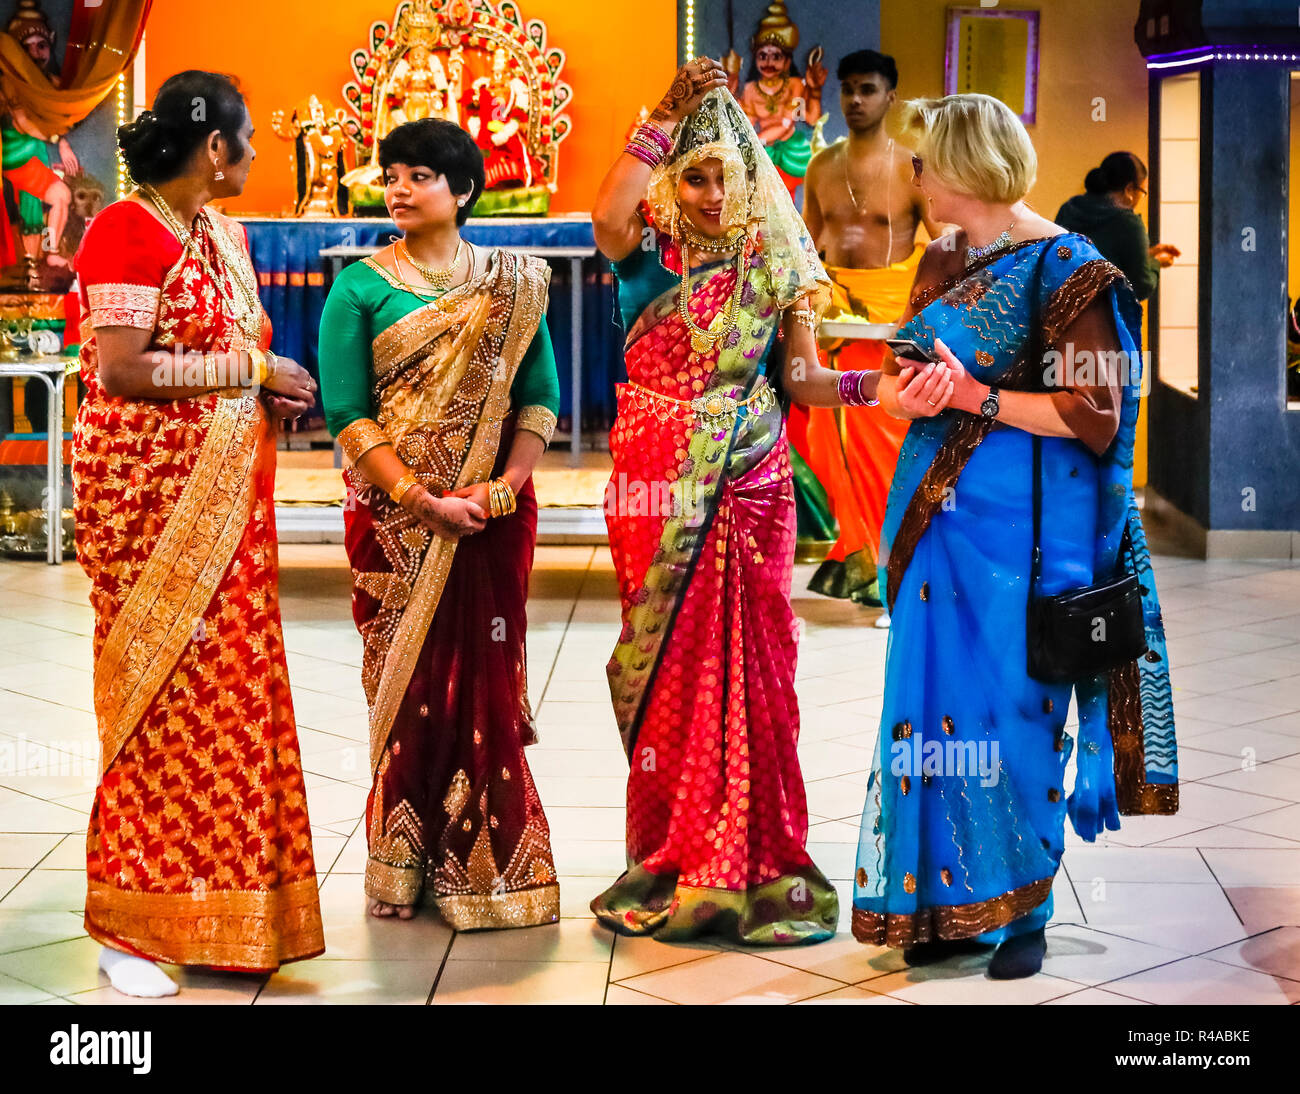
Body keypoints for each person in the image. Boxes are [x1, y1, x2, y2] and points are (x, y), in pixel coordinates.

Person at [851, 94, 1178, 978]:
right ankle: (940, 904)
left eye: (923, 162)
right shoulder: (943, 259)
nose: (912, 177)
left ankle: (1024, 905)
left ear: (959, 167)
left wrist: (973, 398)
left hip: (1026, 539)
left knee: (1008, 712)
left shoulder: (1067, 267)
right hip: (936, 533)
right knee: (926, 709)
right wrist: (907, 393)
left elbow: (1096, 416)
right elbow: (900, 374)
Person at [589, 61, 885, 945]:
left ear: (755, 177)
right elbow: (608, 215)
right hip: (655, 482)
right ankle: (672, 855)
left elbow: (803, 379)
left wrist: (885, 391)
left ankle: (758, 863)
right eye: (695, 176)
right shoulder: (648, 258)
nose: (715, 194)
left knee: (756, 675)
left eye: (729, 174)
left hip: (751, 485)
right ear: (670, 182)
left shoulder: (774, 266)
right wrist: (663, 116)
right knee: (668, 670)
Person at [72, 70, 324, 998]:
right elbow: (127, 371)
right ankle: (128, 929)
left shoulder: (226, 234)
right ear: (213, 147)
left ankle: (220, 909)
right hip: (149, 511)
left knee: (226, 710)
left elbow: (223, 362)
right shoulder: (123, 230)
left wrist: (261, 392)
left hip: (230, 514)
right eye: (248, 138)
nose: (257, 152)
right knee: (157, 708)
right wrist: (253, 369)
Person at [318, 118, 561, 928]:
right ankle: (400, 859)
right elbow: (348, 414)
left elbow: (539, 396)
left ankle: (489, 865)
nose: (397, 188)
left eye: (419, 174)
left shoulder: (514, 282)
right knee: (405, 687)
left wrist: (505, 487)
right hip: (395, 522)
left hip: (490, 518)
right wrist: (422, 500)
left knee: (481, 683)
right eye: (390, 174)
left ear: (462, 190)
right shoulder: (359, 286)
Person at [799, 48, 944, 608]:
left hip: (892, 329)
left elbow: (945, 245)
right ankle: (863, 564)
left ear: (890, 96)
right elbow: (807, 248)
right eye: (848, 90)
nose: (856, 100)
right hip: (833, 325)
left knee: (887, 451)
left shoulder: (912, 166)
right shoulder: (821, 166)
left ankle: (896, 573)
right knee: (830, 448)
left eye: (868, 89)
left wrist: (923, 311)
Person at [1055, 151, 1177, 302]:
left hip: (1064, 313)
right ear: (1129, 190)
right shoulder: (1128, 223)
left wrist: (1146, 256)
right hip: (1104, 317)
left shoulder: (1069, 209)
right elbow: (1140, 286)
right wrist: (1156, 263)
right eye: (1142, 192)